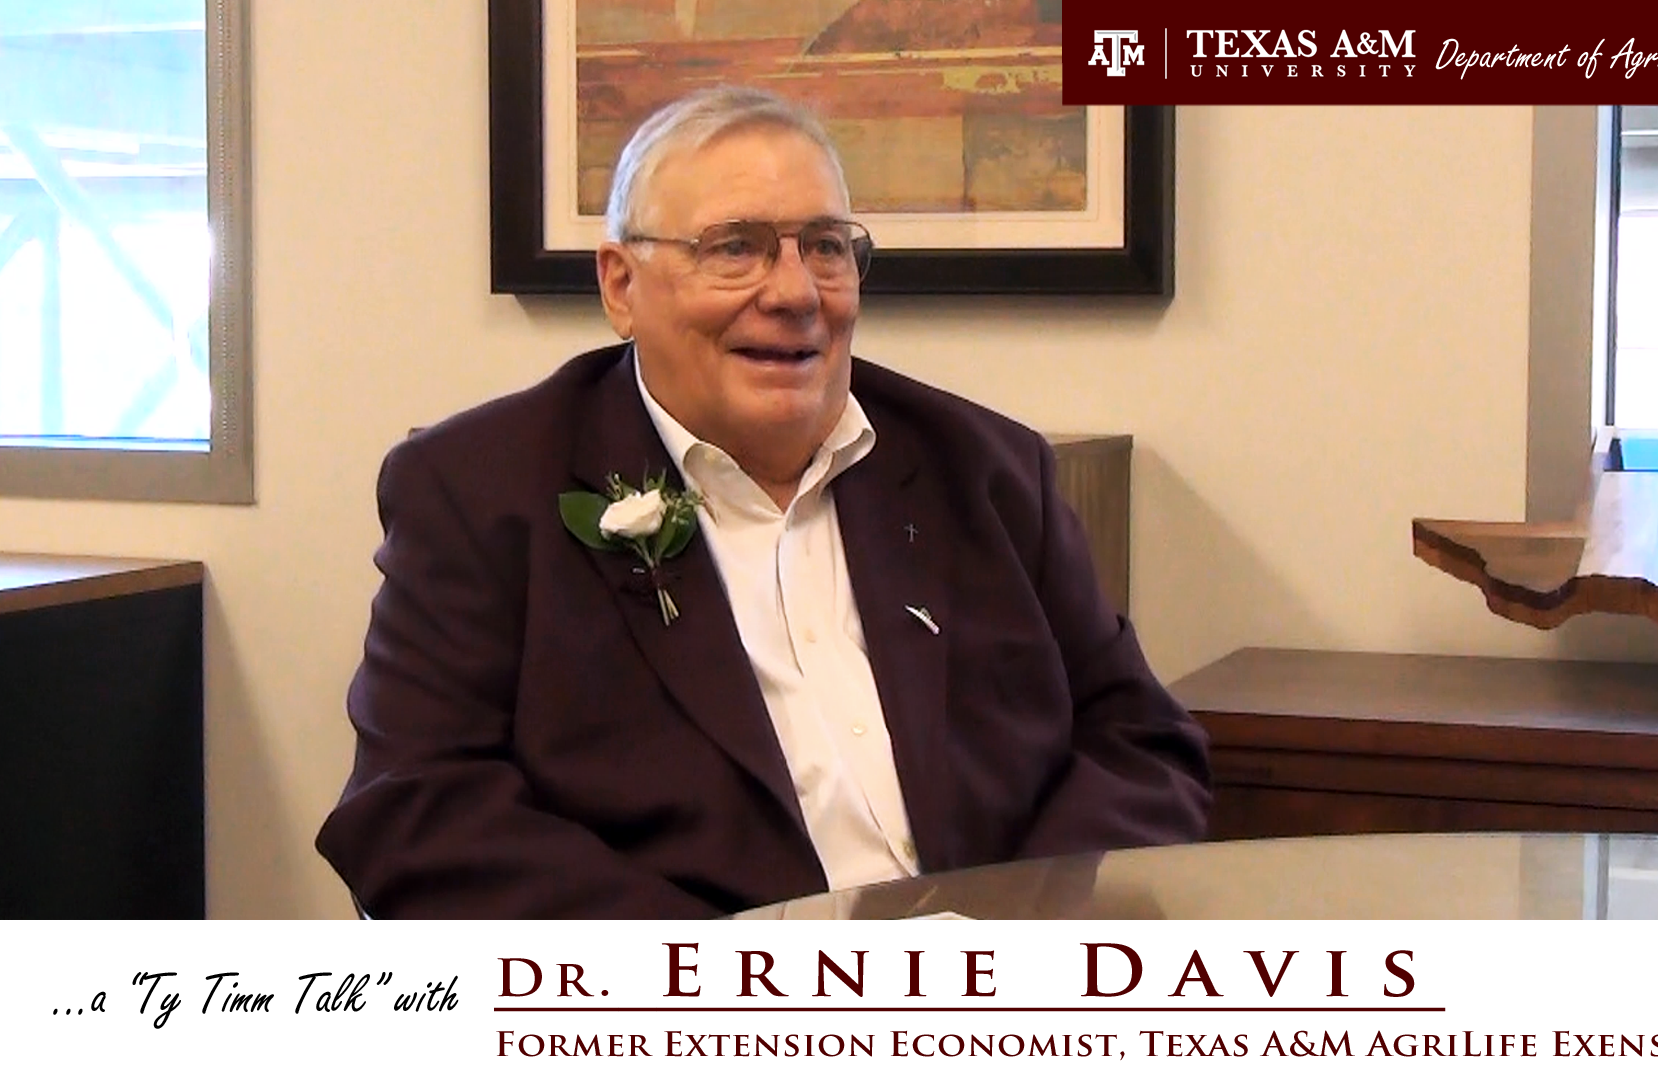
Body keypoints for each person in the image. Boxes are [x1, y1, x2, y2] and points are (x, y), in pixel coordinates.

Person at [316, 86, 1210, 918]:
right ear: (621, 287)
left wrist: (1010, 943)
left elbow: (1137, 742)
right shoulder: (482, 490)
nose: (793, 294)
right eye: (734, 248)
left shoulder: (987, 470)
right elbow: (414, 814)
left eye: (825, 247)